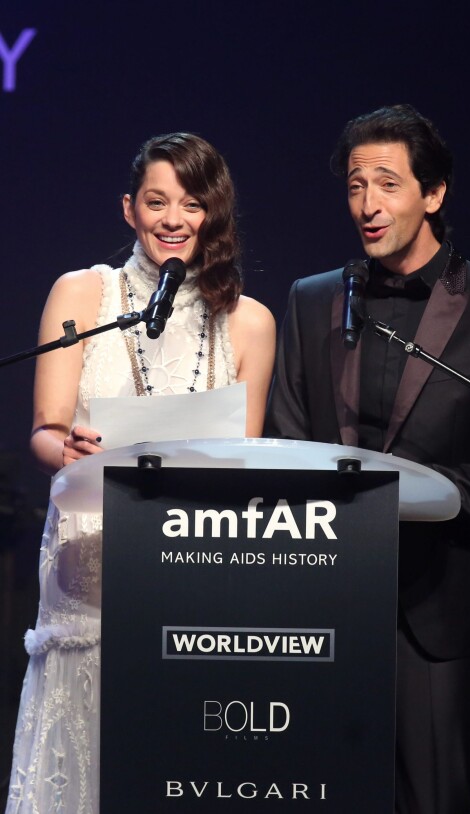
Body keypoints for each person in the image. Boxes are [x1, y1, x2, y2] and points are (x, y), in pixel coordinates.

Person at [265, 104, 470, 813]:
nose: (367, 204)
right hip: (324, 597)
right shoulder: (313, 300)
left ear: (434, 192)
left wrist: (392, 494)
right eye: (356, 185)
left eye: (387, 183)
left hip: (437, 607)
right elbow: (289, 442)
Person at [6, 132, 276, 814]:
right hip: (89, 563)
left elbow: (244, 456)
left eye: (191, 203)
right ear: (130, 209)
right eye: (156, 201)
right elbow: (45, 429)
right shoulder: (83, 291)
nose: (173, 219)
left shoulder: (248, 322)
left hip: (195, 564)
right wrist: (61, 444)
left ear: (214, 214)